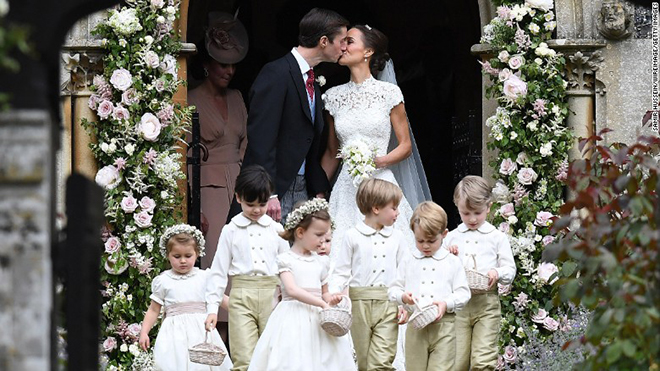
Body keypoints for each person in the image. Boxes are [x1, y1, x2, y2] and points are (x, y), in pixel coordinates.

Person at [229, 8, 349, 223]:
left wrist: (318, 187)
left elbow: (307, 138)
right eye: (342, 40)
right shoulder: (276, 73)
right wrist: (269, 192)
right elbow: (261, 138)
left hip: (302, 189)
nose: (344, 47)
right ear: (323, 41)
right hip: (273, 191)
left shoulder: (312, 79)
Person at [321, 24, 418, 254]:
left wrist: (377, 162)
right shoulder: (333, 97)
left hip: (381, 184)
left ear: (368, 51)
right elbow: (332, 151)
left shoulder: (389, 93)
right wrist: (318, 190)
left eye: (350, 41)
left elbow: (405, 146)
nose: (343, 46)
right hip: (345, 188)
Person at [247, 198, 356, 371]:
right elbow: (292, 290)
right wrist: (321, 303)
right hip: (293, 316)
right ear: (300, 233)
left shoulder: (321, 262)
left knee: (323, 360)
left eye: (325, 236)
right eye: (318, 235)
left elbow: (324, 293)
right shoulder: (286, 260)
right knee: (294, 358)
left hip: (319, 320)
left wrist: (332, 300)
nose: (323, 241)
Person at [204, 165, 289, 371]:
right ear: (238, 197)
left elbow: (288, 267)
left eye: (262, 204)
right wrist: (212, 309)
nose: (257, 210)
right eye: (251, 204)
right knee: (243, 358)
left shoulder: (277, 229)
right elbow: (218, 272)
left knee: (273, 356)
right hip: (241, 297)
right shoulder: (230, 230)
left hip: (273, 298)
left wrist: (287, 300)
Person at [188, 11, 249, 269]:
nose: (230, 71)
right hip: (208, 191)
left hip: (240, 189)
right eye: (224, 65)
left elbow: (247, 145)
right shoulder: (190, 99)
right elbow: (184, 156)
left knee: (244, 261)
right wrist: (194, 206)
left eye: (233, 65)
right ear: (206, 65)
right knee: (214, 260)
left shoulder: (237, 97)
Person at [329, 178, 407, 370]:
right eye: (394, 208)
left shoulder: (398, 238)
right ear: (376, 208)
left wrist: (404, 302)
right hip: (359, 304)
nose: (397, 213)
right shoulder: (352, 236)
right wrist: (333, 293)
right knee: (364, 361)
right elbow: (341, 271)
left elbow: (406, 272)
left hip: (388, 304)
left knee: (381, 360)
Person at [444, 176, 516, 371]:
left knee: (483, 361)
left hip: (486, 305)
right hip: (458, 306)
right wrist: (448, 256)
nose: (473, 219)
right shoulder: (451, 237)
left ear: (489, 208)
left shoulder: (497, 237)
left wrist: (497, 272)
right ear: (457, 208)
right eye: (466, 213)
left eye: (478, 212)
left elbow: (510, 269)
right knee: (456, 361)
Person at [388, 202, 471, 371]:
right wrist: (402, 297)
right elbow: (393, 289)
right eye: (420, 240)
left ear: (444, 234)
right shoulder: (408, 260)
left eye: (431, 241)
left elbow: (463, 293)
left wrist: (446, 303)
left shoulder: (452, 262)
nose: (425, 245)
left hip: (444, 328)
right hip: (416, 327)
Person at [138, 224, 232, 371]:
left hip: (201, 332)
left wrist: (243, 311)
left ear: (197, 254)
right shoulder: (163, 281)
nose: (183, 261)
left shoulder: (205, 277)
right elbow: (153, 310)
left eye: (188, 256)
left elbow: (220, 298)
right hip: (173, 336)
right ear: (168, 255)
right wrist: (144, 332)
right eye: (177, 256)